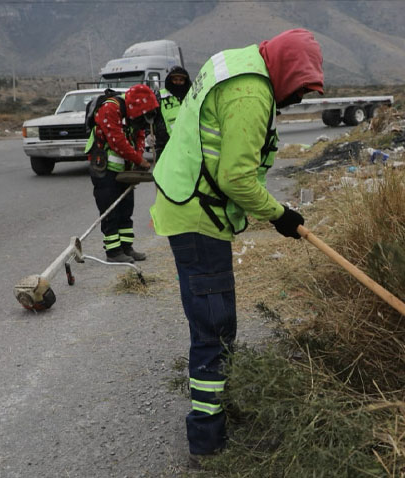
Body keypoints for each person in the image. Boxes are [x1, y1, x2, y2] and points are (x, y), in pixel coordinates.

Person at [150, 28, 324, 462]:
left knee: (217, 323)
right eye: (298, 90)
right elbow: (236, 177)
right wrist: (281, 215)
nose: (295, 101)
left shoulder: (238, 60)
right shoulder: (251, 93)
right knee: (214, 327)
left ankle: (222, 409)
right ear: (286, 70)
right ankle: (208, 443)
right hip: (197, 216)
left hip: (187, 206)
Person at [84, 83, 158, 263]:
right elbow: (116, 140)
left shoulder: (135, 116)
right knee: (110, 209)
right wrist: (139, 160)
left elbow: (139, 135)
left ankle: (127, 247)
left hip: (124, 169)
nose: (142, 120)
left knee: (126, 209)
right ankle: (113, 251)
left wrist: (138, 156)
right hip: (103, 168)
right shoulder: (110, 109)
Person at [154, 66, 191, 161]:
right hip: (164, 145)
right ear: (170, 80)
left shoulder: (191, 96)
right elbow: (151, 116)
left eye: (181, 80)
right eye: (175, 80)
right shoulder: (159, 96)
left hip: (187, 145)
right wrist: (149, 135)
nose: (178, 82)